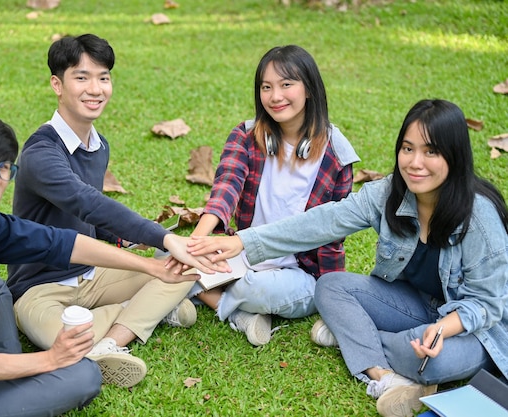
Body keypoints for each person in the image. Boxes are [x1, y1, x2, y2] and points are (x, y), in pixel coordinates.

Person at [186, 99, 508, 417]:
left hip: (474, 328)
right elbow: (322, 222)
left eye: (431, 151)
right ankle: (384, 375)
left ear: (454, 156)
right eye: (407, 148)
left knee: (432, 361)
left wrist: (442, 329)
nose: (415, 162)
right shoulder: (389, 193)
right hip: (415, 305)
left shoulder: (479, 217)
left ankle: (355, 339)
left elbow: (488, 304)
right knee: (330, 286)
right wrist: (243, 241)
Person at [0, 112, 212, 417]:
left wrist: (151, 268)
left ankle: (11, 374)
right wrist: (49, 360)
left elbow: (60, 243)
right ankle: (15, 377)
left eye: (4, 167)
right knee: (83, 376)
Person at [6, 33, 203, 387]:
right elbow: (86, 201)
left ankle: (111, 342)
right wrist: (163, 237)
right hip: (39, 289)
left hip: (94, 275)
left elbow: (90, 216)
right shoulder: (40, 153)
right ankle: (145, 315)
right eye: (81, 77)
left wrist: (121, 239)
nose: (95, 89)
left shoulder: (98, 146)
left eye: (103, 77)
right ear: (57, 84)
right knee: (64, 340)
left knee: (182, 270)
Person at [187, 45, 359, 346]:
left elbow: (332, 232)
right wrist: (194, 246)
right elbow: (225, 188)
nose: (275, 96)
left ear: (309, 89)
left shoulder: (337, 156)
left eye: (286, 84)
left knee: (257, 288)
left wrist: (333, 297)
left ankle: (204, 296)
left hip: (296, 273)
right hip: (239, 252)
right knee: (167, 253)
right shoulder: (246, 135)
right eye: (266, 87)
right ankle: (237, 313)